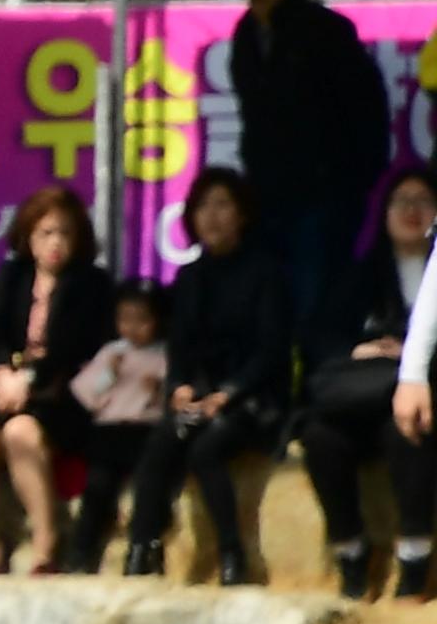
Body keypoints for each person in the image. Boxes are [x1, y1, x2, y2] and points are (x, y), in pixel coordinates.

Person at [120, 168, 294, 585]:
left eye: (222, 205)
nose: (211, 216)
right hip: (201, 396)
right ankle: (142, 546)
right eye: (202, 206)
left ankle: (231, 554)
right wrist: (180, 387)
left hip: (254, 398)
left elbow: (271, 351)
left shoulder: (265, 273)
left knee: (206, 449)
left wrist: (227, 395)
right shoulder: (190, 277)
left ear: (242, 215)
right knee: (164, 439)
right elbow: (181, 347)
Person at [222, 0, 390, 336]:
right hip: (266, 196)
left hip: (323, 197)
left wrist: (350, 183)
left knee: (316, 302)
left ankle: (318, 393)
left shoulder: (324, 29)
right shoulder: (244, 36)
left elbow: (367, 110)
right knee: (272, 302)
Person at [0, 190, 114, 576]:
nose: (55, 243)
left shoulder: (91, 283)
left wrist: (27, 379)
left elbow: (74, 346)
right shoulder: (12, 277)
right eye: (46, 233)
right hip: (7, 390)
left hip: (63, 396)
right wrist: (3, 375)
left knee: (20, 434)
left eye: (65, 233)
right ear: (28, 236)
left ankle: (45, 544)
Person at [293, 166, 437, 600]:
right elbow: (321, 336)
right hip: (360, 397)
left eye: (423, 201)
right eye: (402, 201)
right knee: (319, 436)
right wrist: (361, 351)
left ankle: (414, 556)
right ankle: (351, 552)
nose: (412, 211)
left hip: (416, 398)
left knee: (407, 429)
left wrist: (414, 358)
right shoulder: (359, 274)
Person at [68, 282, 170, 569]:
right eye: (125, 319)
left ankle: (141, 551)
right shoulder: (112, 353)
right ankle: (81, 553)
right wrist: (108, 376)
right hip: (109, 430)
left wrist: (159, 391)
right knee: (98, 488)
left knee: (148, 487)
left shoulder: (164, 355)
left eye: (142, 320)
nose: (133, 328)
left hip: (145, 430)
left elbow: (173, 402)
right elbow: (86, 394)